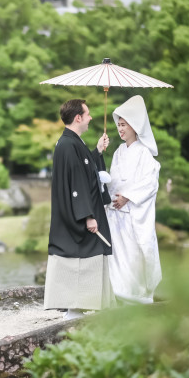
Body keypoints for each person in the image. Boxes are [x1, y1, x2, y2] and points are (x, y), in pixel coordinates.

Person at [43, 99, 115, 320]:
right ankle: (74, 310)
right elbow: (77, 184)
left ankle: (79, 308)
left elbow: (84, 170)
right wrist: (88, 216)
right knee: (81, 258)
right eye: (88, 114)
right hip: (78, 216)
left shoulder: (73, 142)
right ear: (78, 118)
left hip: (80, 212)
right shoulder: (68, 144)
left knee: (88, 257)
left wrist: (97, 151)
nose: (91, 118)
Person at [105, 95, 161, 304]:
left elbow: (150, 184)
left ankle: (139, 296)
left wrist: (127, 197)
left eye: (124, 125)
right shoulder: (119, 151)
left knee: (138, 253)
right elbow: (114, 181)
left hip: (133, 213)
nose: (120, 129)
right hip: (116, 213)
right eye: (118, 125)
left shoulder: (144, 153)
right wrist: (112, 198)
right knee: (118, 257)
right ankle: (119, 294)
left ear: (135, 126)